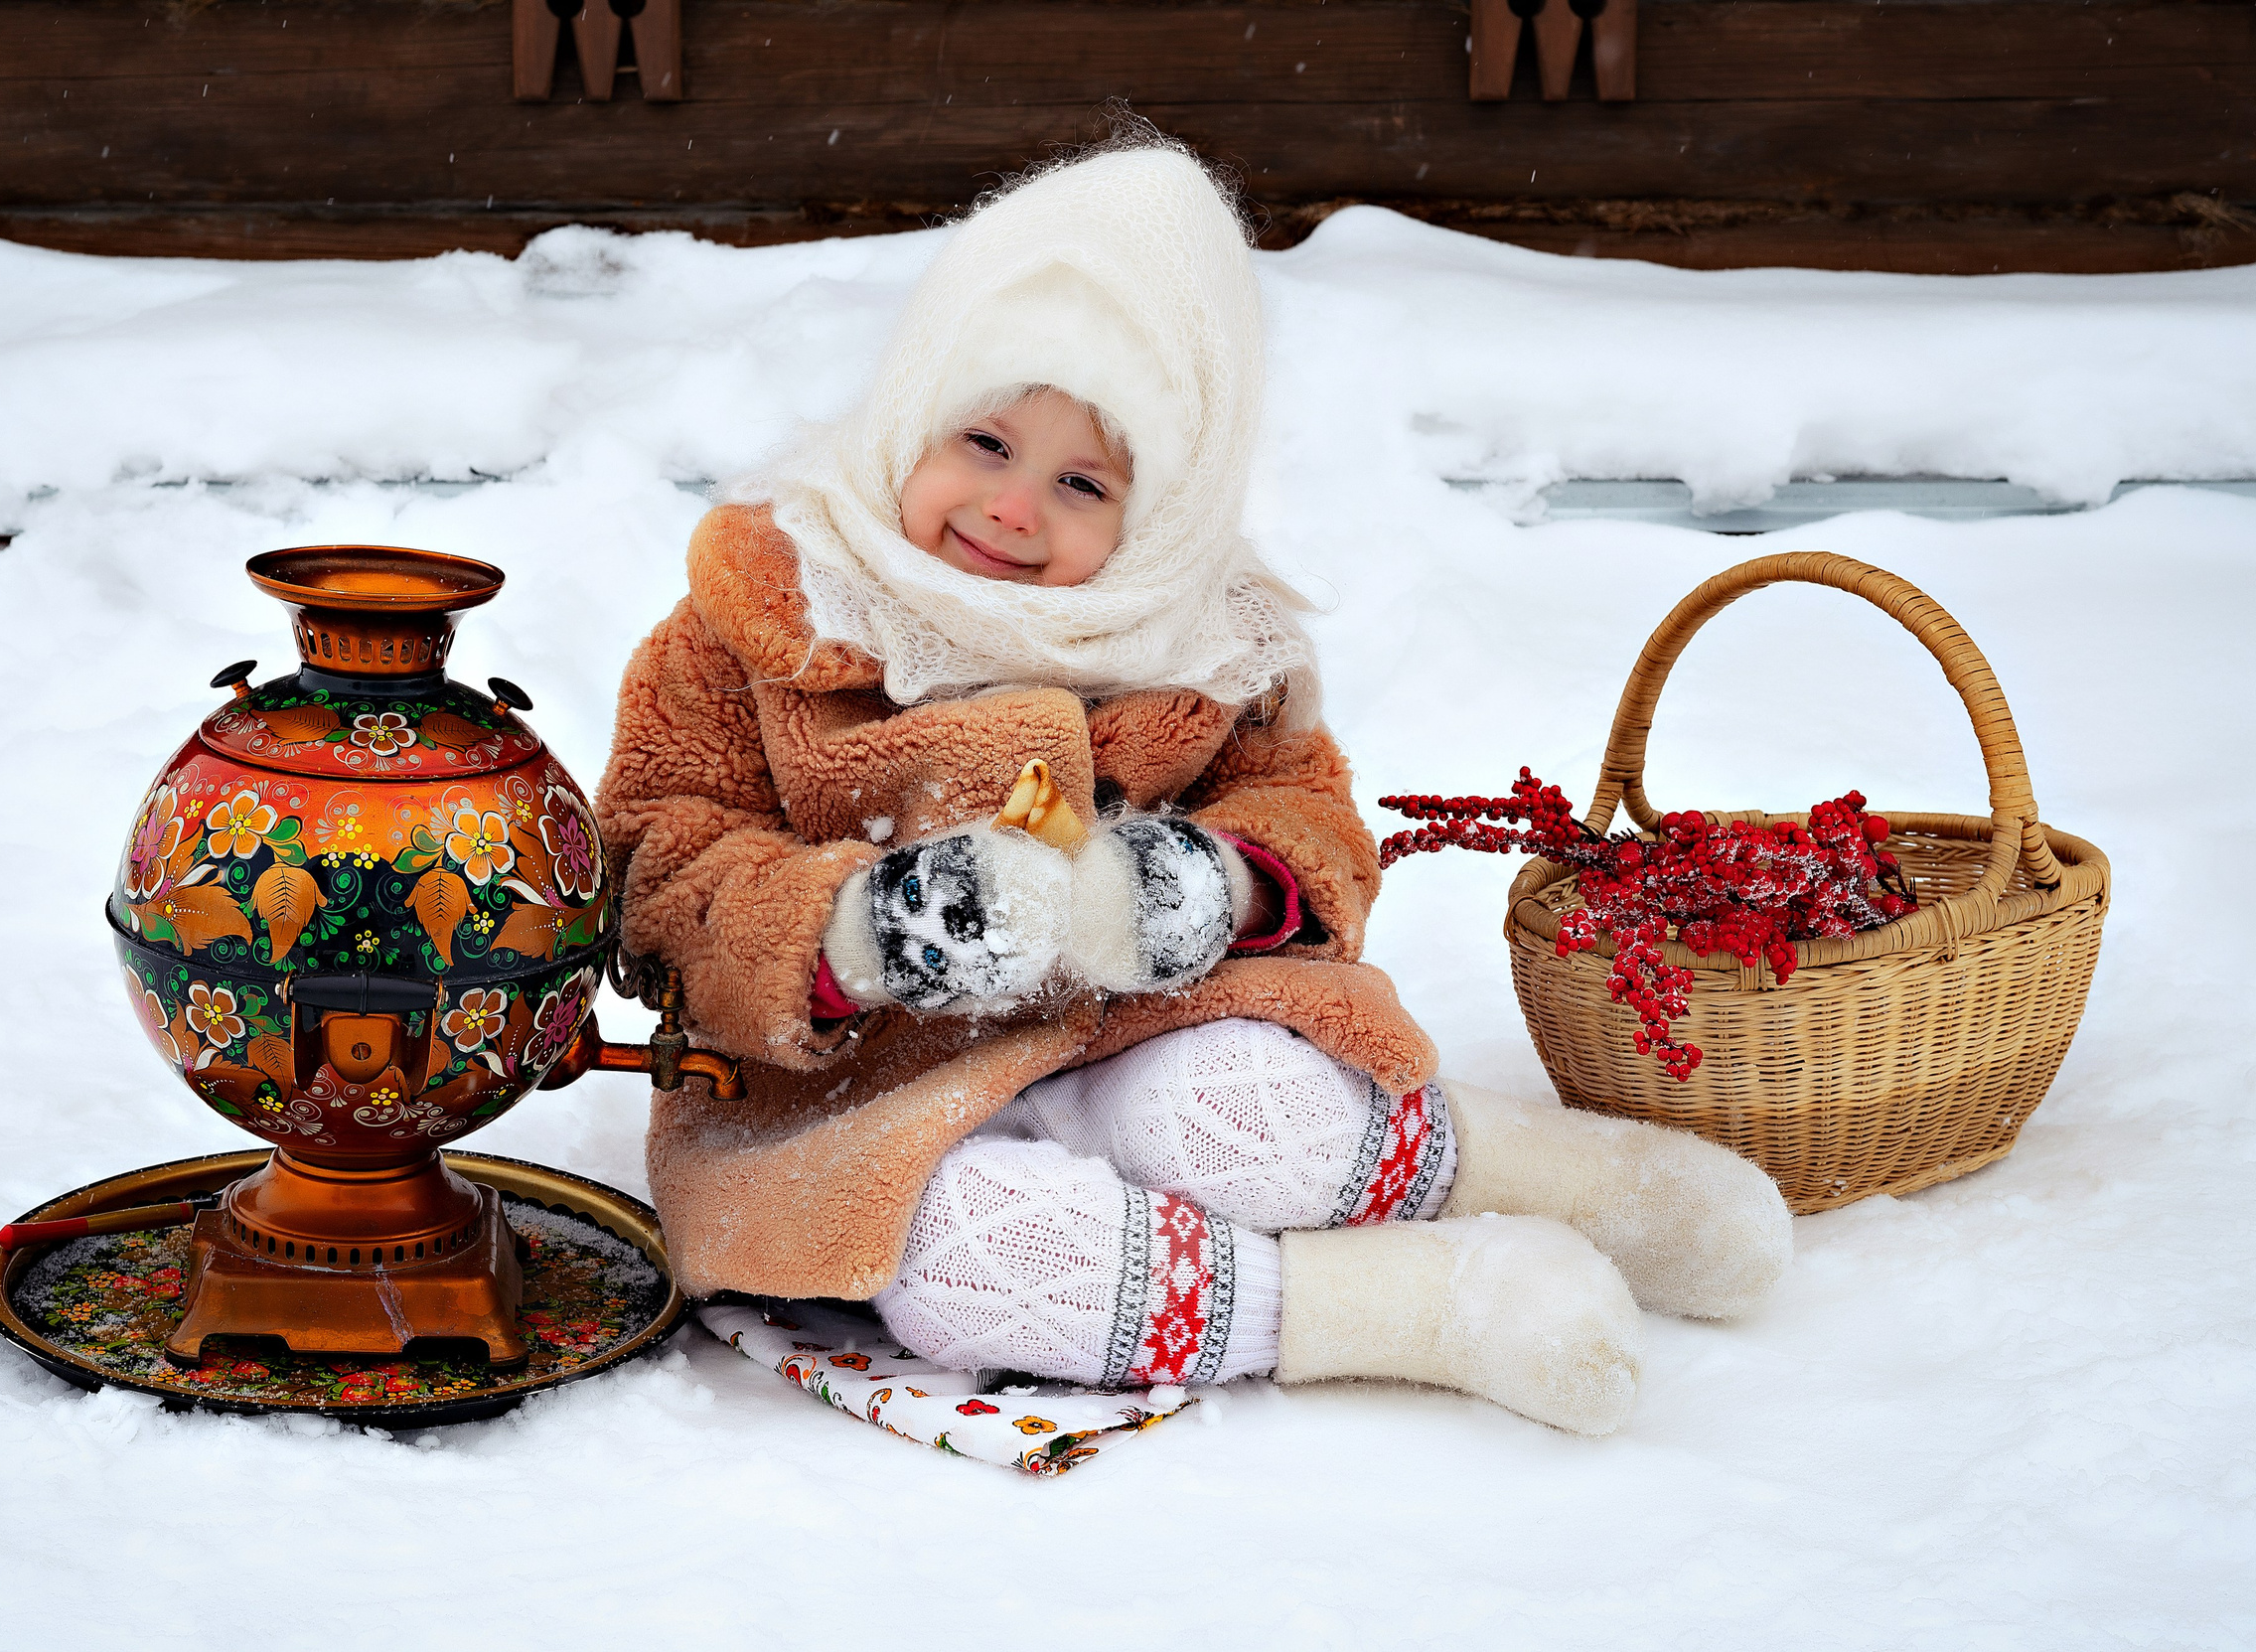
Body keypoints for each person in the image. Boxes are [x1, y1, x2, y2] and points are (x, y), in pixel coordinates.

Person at [595, 138, 1789, 1434]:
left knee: (1246, 1116)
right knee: (962, 1258)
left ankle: (1571, 1180)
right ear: (909, 411)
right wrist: (858, 934)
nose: (1010, 508)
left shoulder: (1200, 644)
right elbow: (660, 856)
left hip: (1126, 1032)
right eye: (985, 439)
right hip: (846, 1101)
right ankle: (1419, 1305)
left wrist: (1203, 885)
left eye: (1082, 483)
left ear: (1157, 516)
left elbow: (1309, 820)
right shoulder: (766, 607)